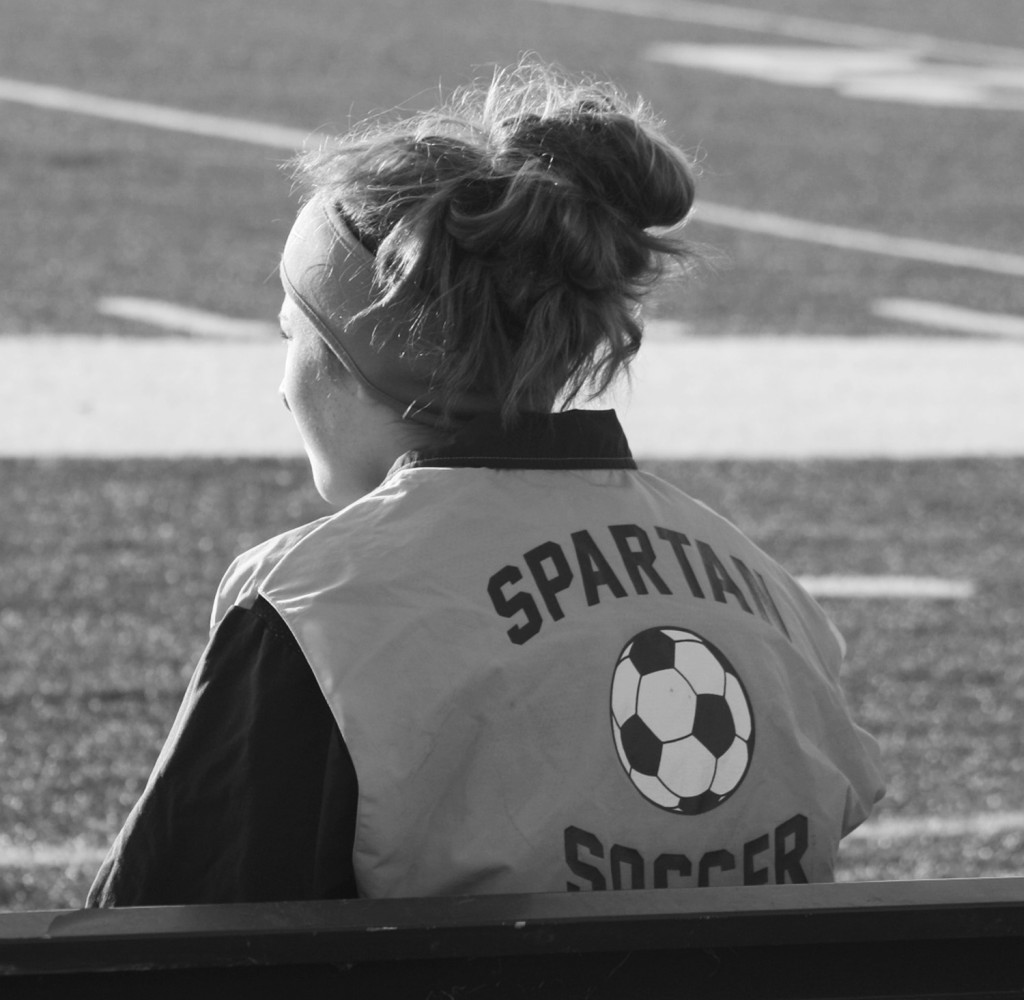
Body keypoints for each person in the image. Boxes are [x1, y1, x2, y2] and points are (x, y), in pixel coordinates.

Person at [88, 62, 884, 905]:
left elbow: (156, 941)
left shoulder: (321, 609)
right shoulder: (777, 601)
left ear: (361, 358)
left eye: (293, 334)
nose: (283, 386)